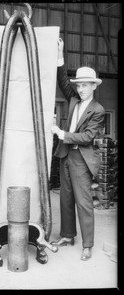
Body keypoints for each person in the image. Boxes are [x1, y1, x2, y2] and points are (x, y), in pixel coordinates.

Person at [50, 38, 105, 261]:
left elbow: (88, 137)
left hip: (81, 158)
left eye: (85, 85)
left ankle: (88, 244)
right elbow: (61, 79)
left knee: (83, 202)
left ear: (94, 86)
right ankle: (67, 235)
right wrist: (60, 54)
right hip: (66, 155)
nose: (81, 89)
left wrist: (62, 134)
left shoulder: (98, 110)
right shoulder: (73, 100)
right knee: (65, 198)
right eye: (79, 85)